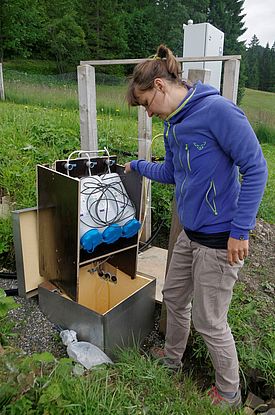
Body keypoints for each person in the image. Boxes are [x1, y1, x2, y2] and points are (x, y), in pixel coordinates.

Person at [124, 44, 268, 409]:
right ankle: (172, 360)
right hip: (190, 235)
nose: (148, 112)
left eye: (145, 103)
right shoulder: (174, 126)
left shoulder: (218, 112)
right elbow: (172, 172)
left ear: (159, 85)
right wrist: (139, 167)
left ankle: (230, 393)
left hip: (221, 240)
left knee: (210, 320)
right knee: (173, 298)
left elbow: (256, 168)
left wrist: (241, 230)